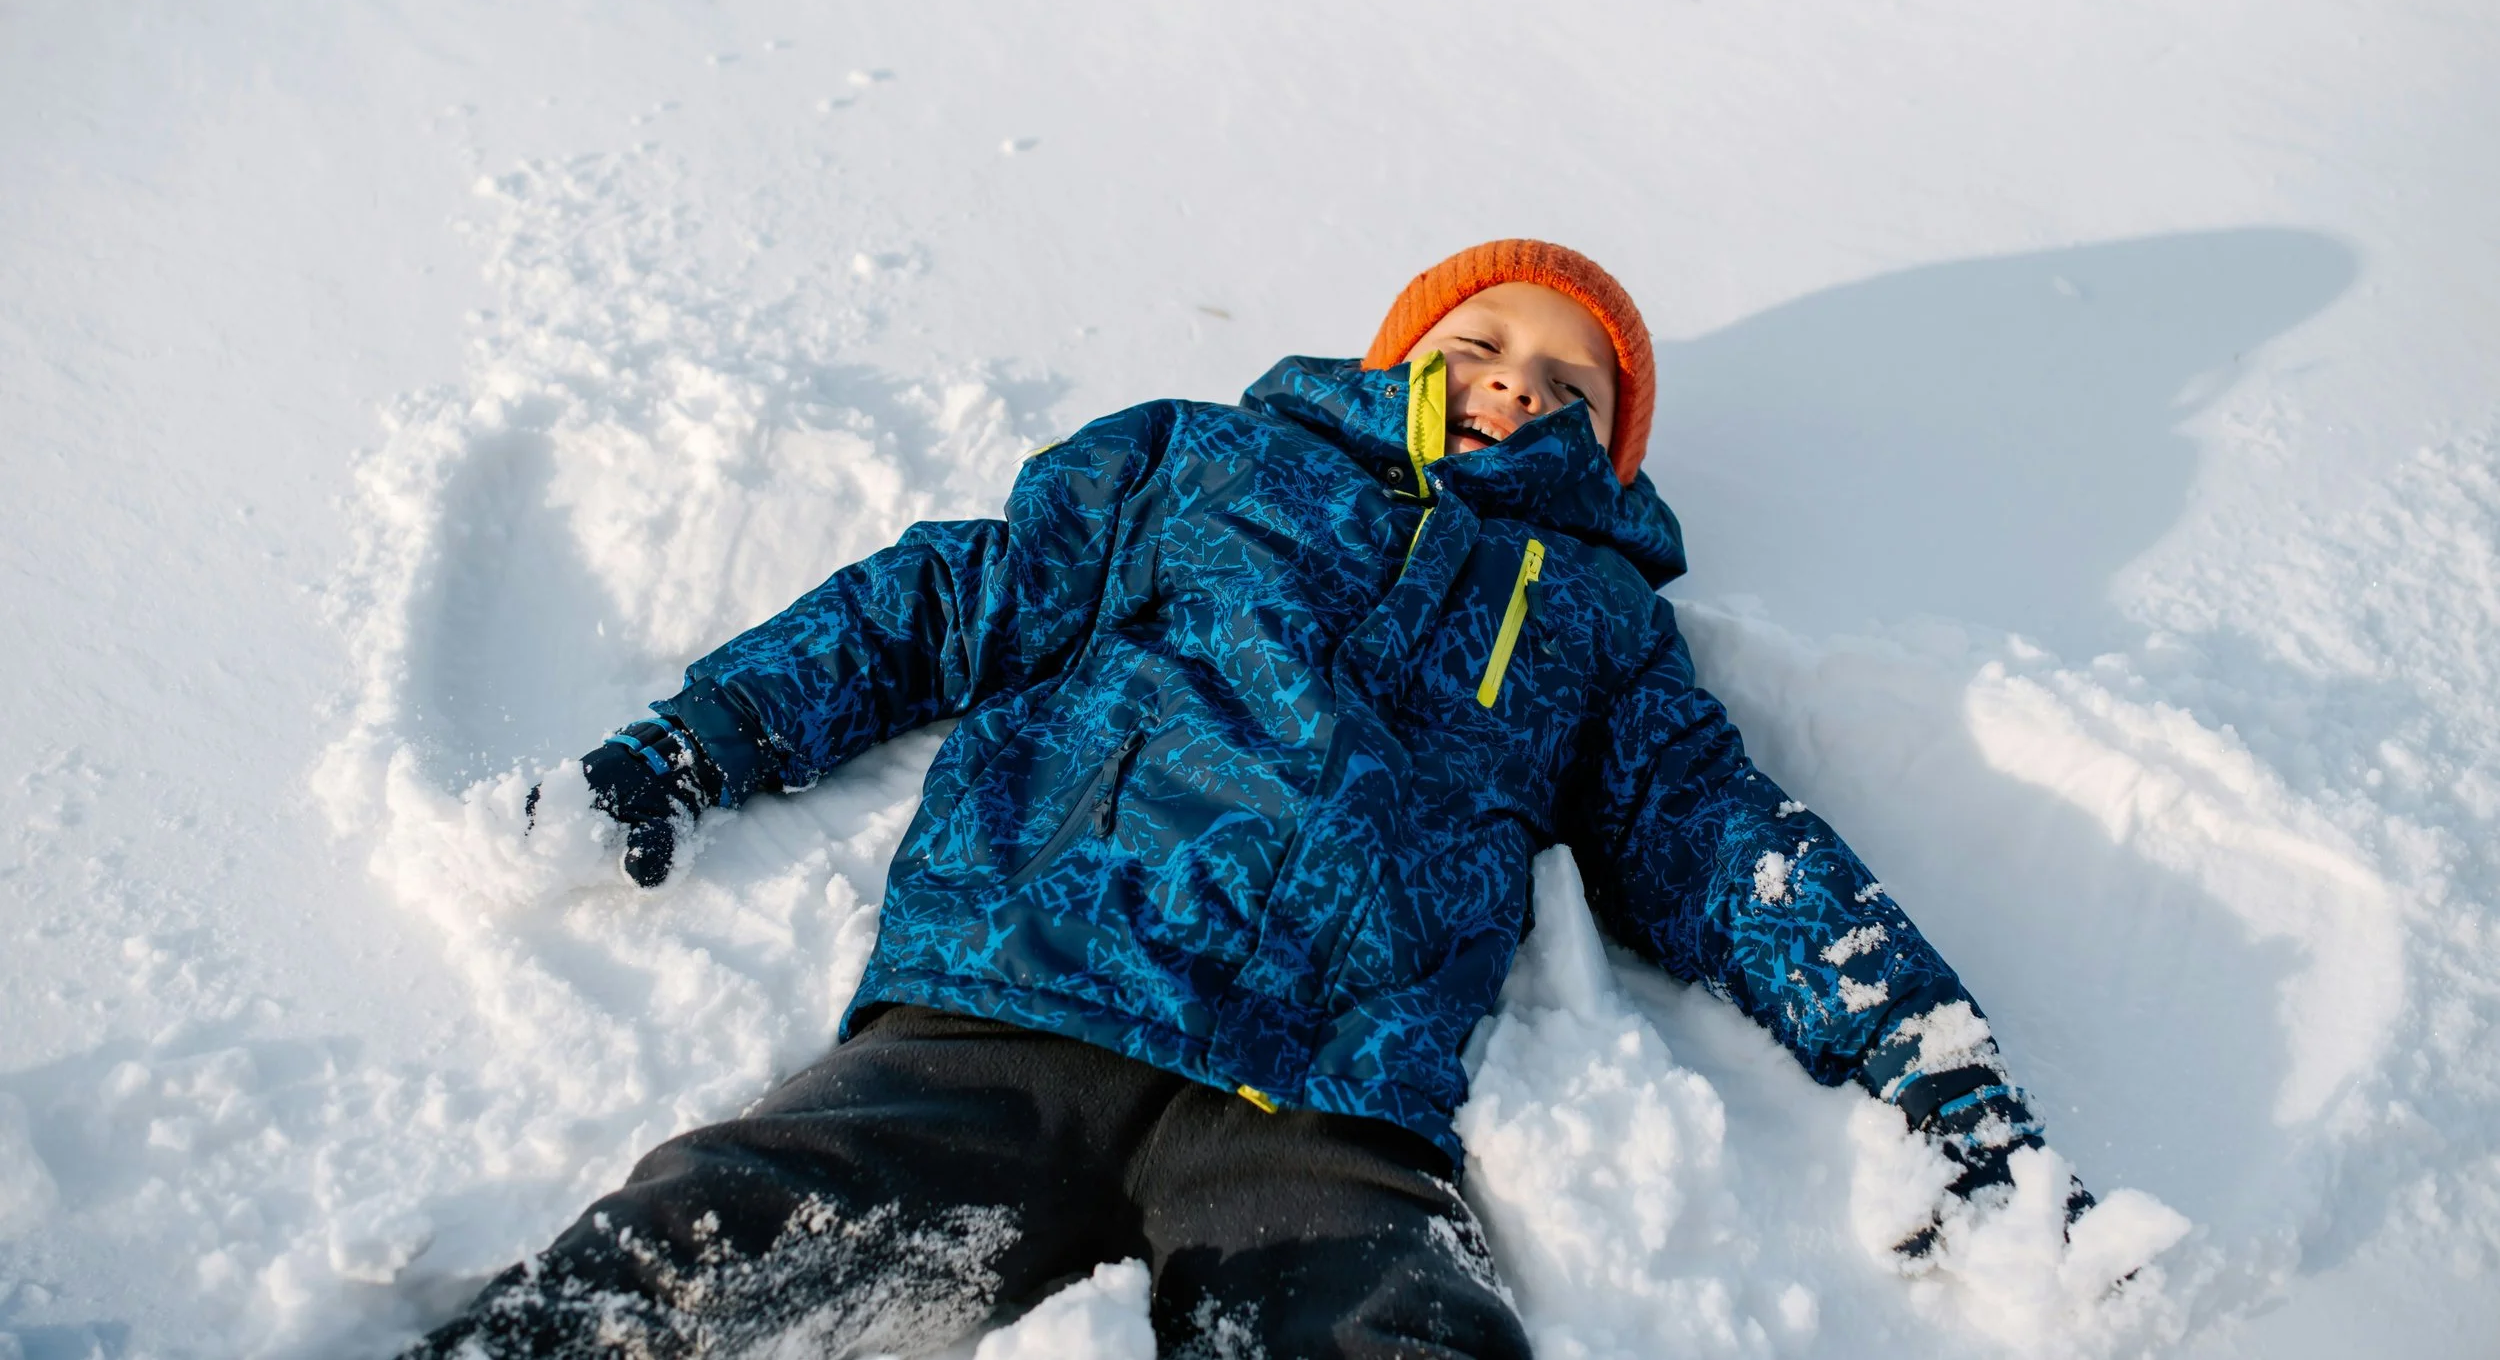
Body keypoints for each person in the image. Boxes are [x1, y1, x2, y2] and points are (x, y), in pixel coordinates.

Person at [409, 240, 2086, 1360]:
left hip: (1328, 1101)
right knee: (728, 1228)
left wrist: (1939, 1079)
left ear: (1610, 452)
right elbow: (936, 606)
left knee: (1397, 1332)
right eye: (1486, 337)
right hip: (1018, 998)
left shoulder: (1596, 623)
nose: (1520, 378)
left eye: (1573, 384)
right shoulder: (1202, 467)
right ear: (1400, 355)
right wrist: (693, 748)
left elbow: (1728, 853)